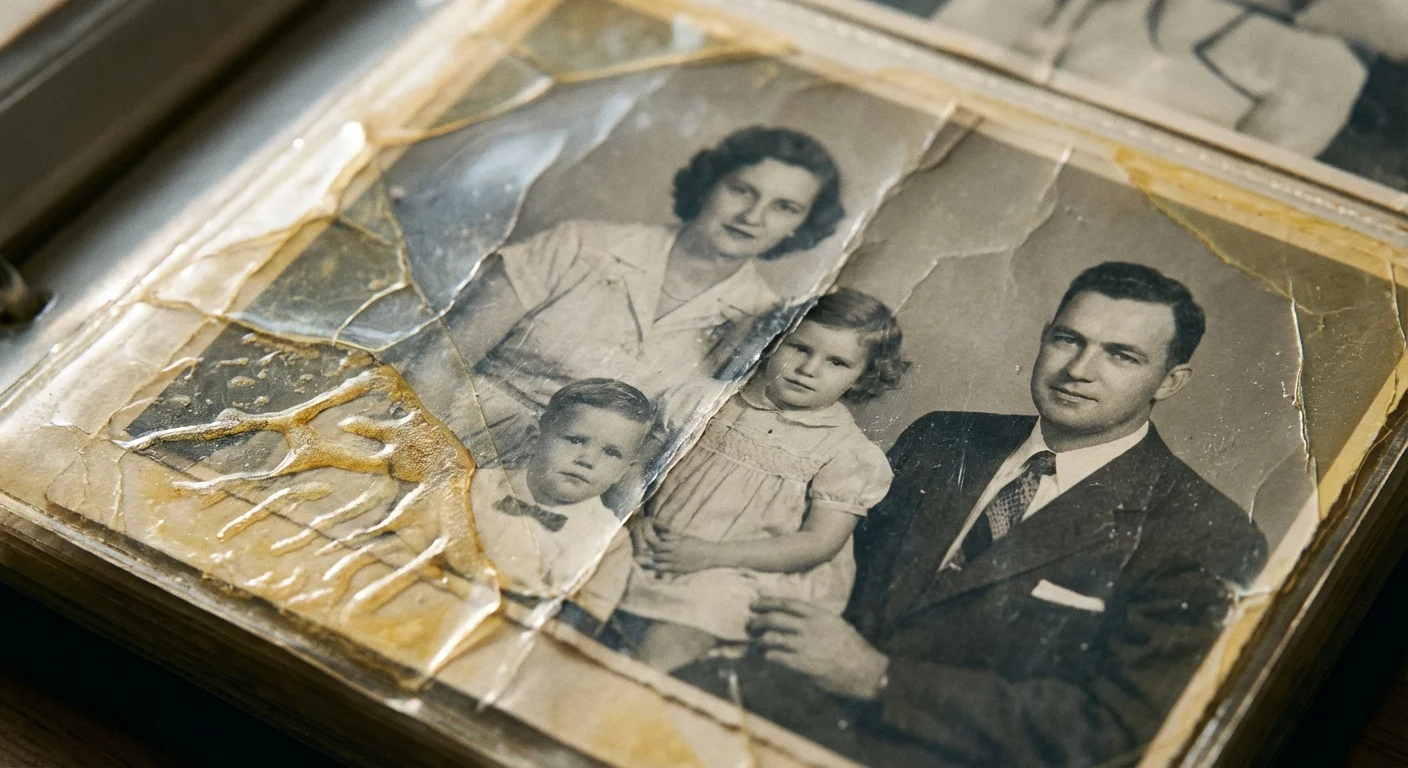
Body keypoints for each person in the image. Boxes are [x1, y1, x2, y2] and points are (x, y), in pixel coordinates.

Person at [676, 262, 1268, 767]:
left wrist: (880, 678)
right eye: (1067, 339)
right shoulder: (943, 438)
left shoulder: (1204, 531)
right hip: (777, 717)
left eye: (1121, 355)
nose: (1079, 370)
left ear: (1170, 381)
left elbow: (1117, 726)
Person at [438, 126, 846, 472]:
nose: (752, 217)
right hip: (455, 437)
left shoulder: (764, 324)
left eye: (785, 208)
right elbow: (440, 363)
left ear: (801, 226)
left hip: (581, 496)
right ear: (708, 186)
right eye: (741, 190)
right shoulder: (580, 244)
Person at [617, 290, 908, 671]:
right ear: (773, 341)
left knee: (704, 606)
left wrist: (710, 556)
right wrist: (635, 518)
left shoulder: (847, 453)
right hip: (656, 540)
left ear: (863, 377)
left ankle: (636, 680)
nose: (809, 369)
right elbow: (635, 466)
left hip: (746, 568)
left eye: (836, 362)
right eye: (800, 348)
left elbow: (819, 543)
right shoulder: (706, 401)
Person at [470, 378, 655, 624]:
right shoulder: (478, 484)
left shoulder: (610, 541)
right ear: (535, 437)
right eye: (576, 439)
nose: (587, 459)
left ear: (623, 471)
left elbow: (587, 618)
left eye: (611, 453)